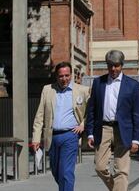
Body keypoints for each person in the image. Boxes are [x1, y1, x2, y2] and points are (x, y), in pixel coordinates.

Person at [86, 50, 139, 191]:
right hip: (103, 128)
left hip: (124, 129)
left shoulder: (132, 85)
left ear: (122, 65)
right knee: (100, 167)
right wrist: (90, 133)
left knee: (121, 170)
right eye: (110, 65)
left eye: (116, 65)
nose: (113, 69)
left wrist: (136, 139)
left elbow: (138, 114)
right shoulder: (98, 83)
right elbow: (91, 109)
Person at [32, 62, 90, 191]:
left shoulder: (82, 90)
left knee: (66, 172)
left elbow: (93, 110)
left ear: (72, 75)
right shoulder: (48, 90)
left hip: (70, 135)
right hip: (52, 136)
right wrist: (36, 138)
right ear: (56, 76)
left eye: (67, 75)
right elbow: (39, 116)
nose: (64, 79)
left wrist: (83, 124)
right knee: (56, 171)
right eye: (61, 76)